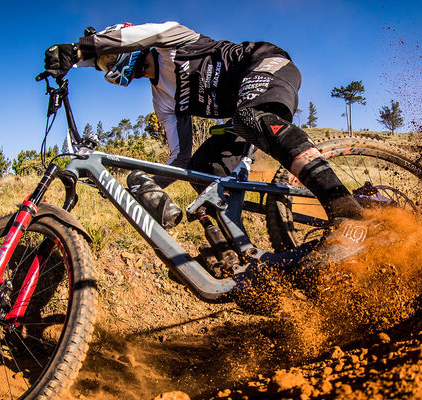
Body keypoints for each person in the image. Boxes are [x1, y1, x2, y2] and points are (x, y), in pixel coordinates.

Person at [44, 21, 370, 263]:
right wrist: (142, 184)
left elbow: (152, 33)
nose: (108, 65)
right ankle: (246, 260)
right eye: (102, 65)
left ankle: (347, 212)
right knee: (202, 169)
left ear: (124, 42)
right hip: (242, 118)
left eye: (108, 56)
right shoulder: (163, 101)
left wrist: (80, 52)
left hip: (265, 63)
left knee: (249, 117)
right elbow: (179, 160)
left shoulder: (171, 40)